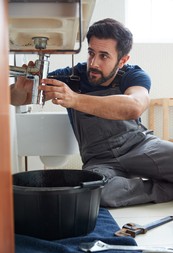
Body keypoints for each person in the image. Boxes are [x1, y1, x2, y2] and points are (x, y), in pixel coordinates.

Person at [10, 18, 173, 208]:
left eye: (104, 56)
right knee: (94, 193)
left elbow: (134, 105)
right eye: (91, 53)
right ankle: (164, 189)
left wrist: (75, 99)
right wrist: (21, 90)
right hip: (99, 160)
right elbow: (16, 98)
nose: (93, 63)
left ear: (123, 60)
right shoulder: (71, 76)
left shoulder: (133, 75)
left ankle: (131, 185)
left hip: (139, 146)